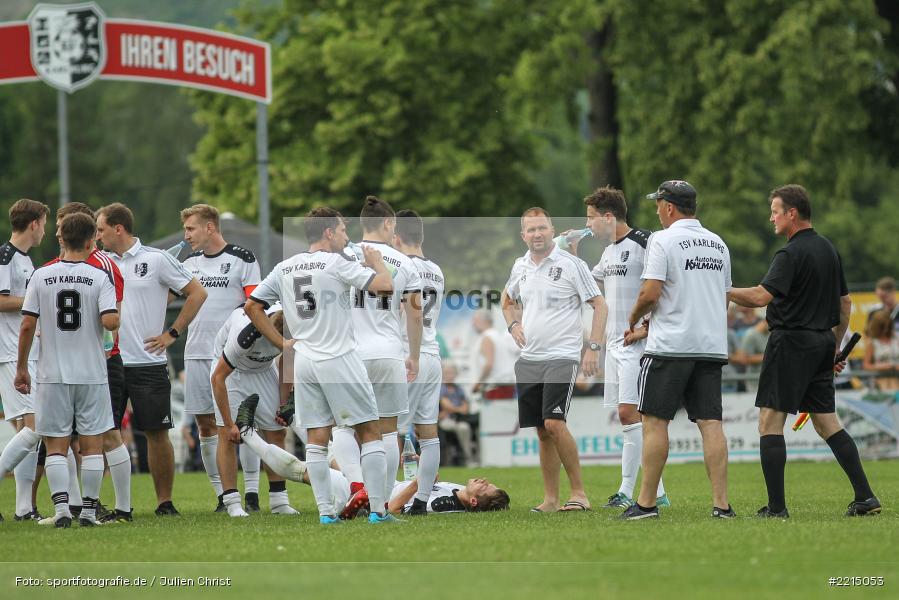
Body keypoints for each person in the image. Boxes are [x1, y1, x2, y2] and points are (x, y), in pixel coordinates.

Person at [728, 184, 880, 517]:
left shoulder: (789, 254)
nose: (771, 218)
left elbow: (759, 297)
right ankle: (865, 497)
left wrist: (722, 289)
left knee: (770, 421)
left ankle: (777, 509)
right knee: (827, 423)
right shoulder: (828, 249)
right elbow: (845, 303)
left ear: (791, 214)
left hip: (790, 342)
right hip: (822, 341)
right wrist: (834, 349)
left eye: (775, 211)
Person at [244, 206, 400, 524]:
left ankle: (326, 513)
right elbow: (385, 286)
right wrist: (377, 263)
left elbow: (252, 305)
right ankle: (378, 512)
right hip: (339, 357)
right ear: (329, 233)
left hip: (305, 361)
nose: (346, 235)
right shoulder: (337, 262)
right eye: (342, 229)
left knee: (317, 437)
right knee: (370, 431)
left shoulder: (285, 267)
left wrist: (281, 343)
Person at [621, 180, 734, 521]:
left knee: (655, 423)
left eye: (658, 204)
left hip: (670, 346)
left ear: (669, 207)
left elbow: (650, 292)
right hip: (710, 347)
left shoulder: (662, 239)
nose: (656, 209)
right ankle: (722, 505)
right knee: (711, 424)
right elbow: (724, 296)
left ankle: (645, 504)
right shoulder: (718, 243)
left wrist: (633, 318)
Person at [231, 393, 510, 517]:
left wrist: (415, 484)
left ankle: (247, 433)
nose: (483, 479)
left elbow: (395, 509)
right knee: (328, 453)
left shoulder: (445, 507)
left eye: (485, 486)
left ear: (474, 501)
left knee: (303, 467)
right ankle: (291, 418)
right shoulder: (457, 489)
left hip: (368, 499)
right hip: (376, 481)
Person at [97, 203, 207, 515]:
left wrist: (172, 332)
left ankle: (165, 503)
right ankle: (111, 504)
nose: (98, 236)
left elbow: (197, 293)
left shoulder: (156, 259)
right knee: (103, 433)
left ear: (119, 228)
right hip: (108, 361)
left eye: (102, 230)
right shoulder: (99, 263)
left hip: (148, 362)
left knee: (157, 433)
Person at [15, 213, 119, 527]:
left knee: (56, 445)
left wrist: (21, 368)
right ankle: (88, 513)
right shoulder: (100, 276)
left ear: (61, 239)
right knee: (91, 445)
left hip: (51, 373)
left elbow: (26, 325)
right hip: (91, 374)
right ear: (91, 242)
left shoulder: (41, 275)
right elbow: (111, 321)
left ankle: (61, 511)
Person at [502, 207, 607, 513]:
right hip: (529, 358)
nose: (537, 234)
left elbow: (599, 306)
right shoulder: (520, 266)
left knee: (554, 423)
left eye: (542, 228)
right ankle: (550, 500)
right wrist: (513, 324)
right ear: (524, 235)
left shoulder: (571, 264)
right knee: (541, 431)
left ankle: (580, 494)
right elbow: (507, 301)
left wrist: (593, 348)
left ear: (552, 230)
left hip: (562, 355)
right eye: (531, 230)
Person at [575, 185, 669, 510]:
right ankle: (657, 493)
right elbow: (587, 281)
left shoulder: (645, 243)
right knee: (626, 415)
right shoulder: (608, 252)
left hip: (638, 346)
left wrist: (645, 330)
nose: (588, 225)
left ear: (608, 217)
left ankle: (629, 490)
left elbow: (665, 290)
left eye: (590, 218)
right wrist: (571, 253)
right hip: (614, 347)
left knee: (631, 413)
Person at [331, 196, 423, 511]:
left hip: (348, 354)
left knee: (343, 426)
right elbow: (415, 313)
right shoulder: (405, 263)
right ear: (388, 224)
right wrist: (415, 355)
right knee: (388, 429)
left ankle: (356, 485)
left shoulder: (341, 255)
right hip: (387, 352)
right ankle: (380, 505)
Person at [44, 202, 133, 523]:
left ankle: (123, 507)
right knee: (63, 437)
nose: (57, 232)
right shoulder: (56, 266)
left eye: (61, 225)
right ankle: (75, 506)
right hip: (66, 365)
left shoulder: (103, 266)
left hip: (102, 361)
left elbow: (113, 316)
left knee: (106, 435)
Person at [180, 204, 262, 511]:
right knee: (206, 426)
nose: (187, 235)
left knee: (241, 424)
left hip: (232, 357)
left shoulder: (243, 258)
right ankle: (222, 495)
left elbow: (255, 306)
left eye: (191, 229)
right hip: (197, 353)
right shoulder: (188, 263)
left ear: (209, 227)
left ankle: (251, 492)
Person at [210, 305, 297, 517]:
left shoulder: (295, 326)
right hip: (232, 371)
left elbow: (287, 361)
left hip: (264, 370)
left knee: (277, 431)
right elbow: (218, 378)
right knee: (226, 435)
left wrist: (283, 403)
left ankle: (279, 501)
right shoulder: (245, 334)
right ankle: (232, 502)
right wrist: (230, 424)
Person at [393, 209, 444, 515]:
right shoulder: (437, 270)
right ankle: (421, 500)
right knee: (428, 432)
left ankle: (383, 499)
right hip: (432, 355)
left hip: (406, 354)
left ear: (396, 237)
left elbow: (403, 311)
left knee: (392, 430)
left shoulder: (400, 267)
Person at [0, 198, 48, 522]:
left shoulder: (26, 261)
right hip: (8, 353)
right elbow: (1, 300)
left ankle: (23, 509)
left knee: (25, 429)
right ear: (34, 224)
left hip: (23, 352)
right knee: (34, 426)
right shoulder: (6, 256)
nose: (45, 229)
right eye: (44, 223)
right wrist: (35, 301)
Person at [470, 311, 518, 400]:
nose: (473, 324)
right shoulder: (497, 335)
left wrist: (478, 384)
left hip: (496, 387)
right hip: (504, 385)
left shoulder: (487, 337)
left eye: (475, 320)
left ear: (483, 321)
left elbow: (488, 364)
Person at [438, 363, 475, 467]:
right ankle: (456, 456)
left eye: (451, 373)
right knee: (451, 426)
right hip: (443, 420)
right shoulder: (441, 388)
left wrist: (453, 410)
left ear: (455, 375)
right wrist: (458, 409)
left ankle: (468, 458)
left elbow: (466, 408)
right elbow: (446, 406)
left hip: (458, 420)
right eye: (446, 373)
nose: (449, 376)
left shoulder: (460, 389)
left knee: (464, 428)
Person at [862, 310, 899, 392]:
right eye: (882, 327)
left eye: (888, 326)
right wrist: (881, 367)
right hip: (881, 383)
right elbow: (866, 365)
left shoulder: (896, 339)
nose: (885, 330)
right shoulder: (872, 343)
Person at [736, 314, 770, 393]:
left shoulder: (770, 333)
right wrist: (768, 356)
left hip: (769, 379)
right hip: (754, 381)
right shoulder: (751, 334)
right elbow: (743, 359)